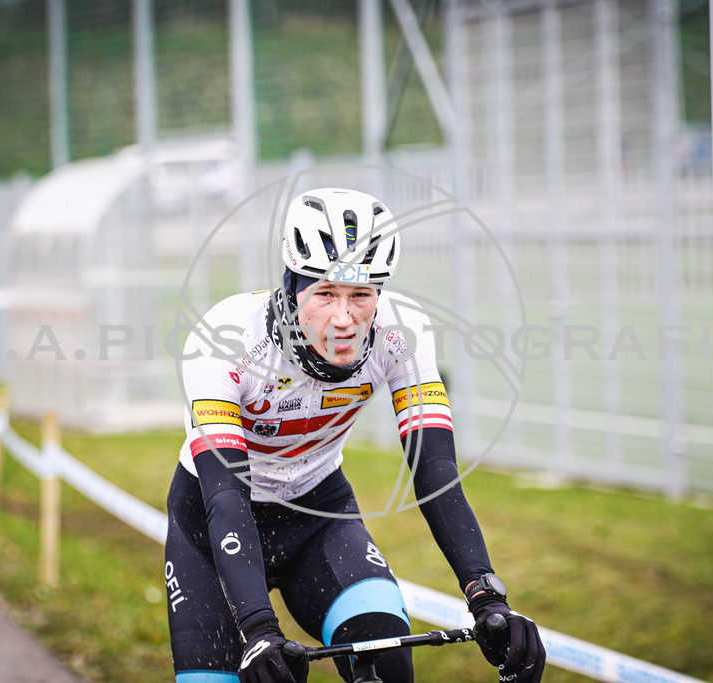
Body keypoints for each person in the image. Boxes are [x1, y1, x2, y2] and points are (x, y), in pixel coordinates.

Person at [165, 187, 545, 683]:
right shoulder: (225, 340)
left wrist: (487, 596)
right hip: (213, 525)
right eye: (324, 293)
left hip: (318, 516)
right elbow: (225, 494)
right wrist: (258, 630)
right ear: (291, 287)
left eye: (361, 295)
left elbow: (434, 471)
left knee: (387, 665)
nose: (344, 319)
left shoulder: (401, 332)